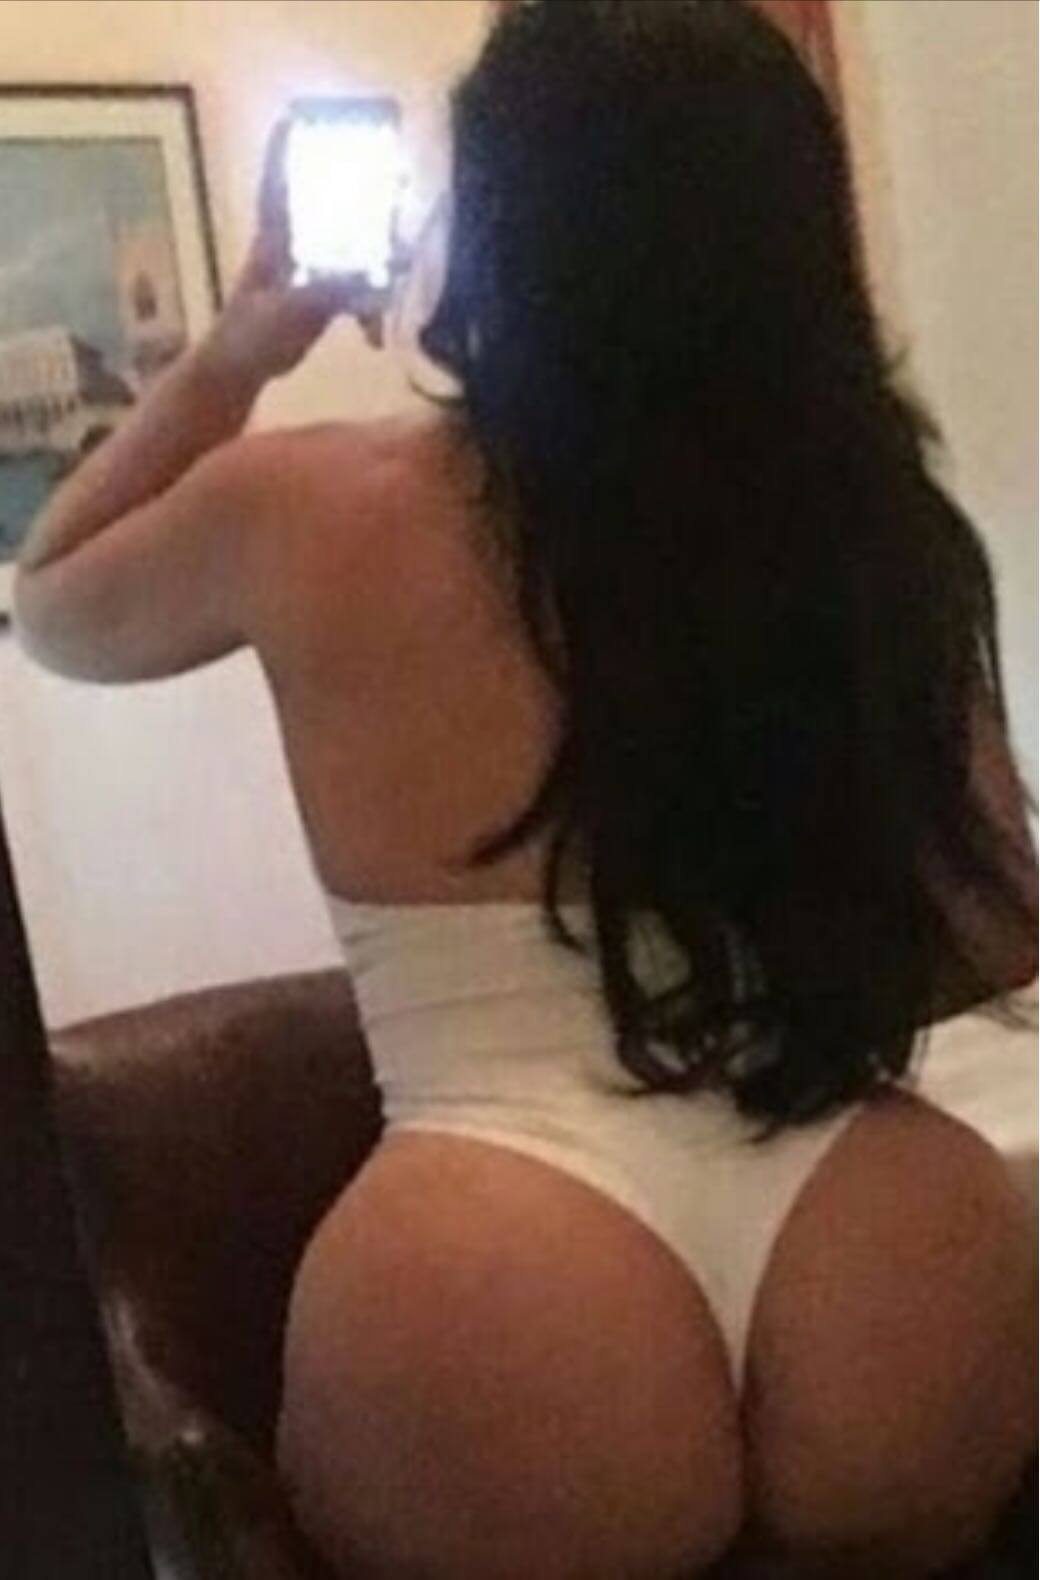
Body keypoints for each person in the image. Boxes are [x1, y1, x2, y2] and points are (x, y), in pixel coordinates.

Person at [14, 2, 1037, 1575]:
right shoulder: (873, 529)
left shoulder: (318, 503)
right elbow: (997, 929)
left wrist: (245, 346)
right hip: (880, 1225)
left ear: (499, 224)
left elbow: (54, 600)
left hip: (498, 1257)